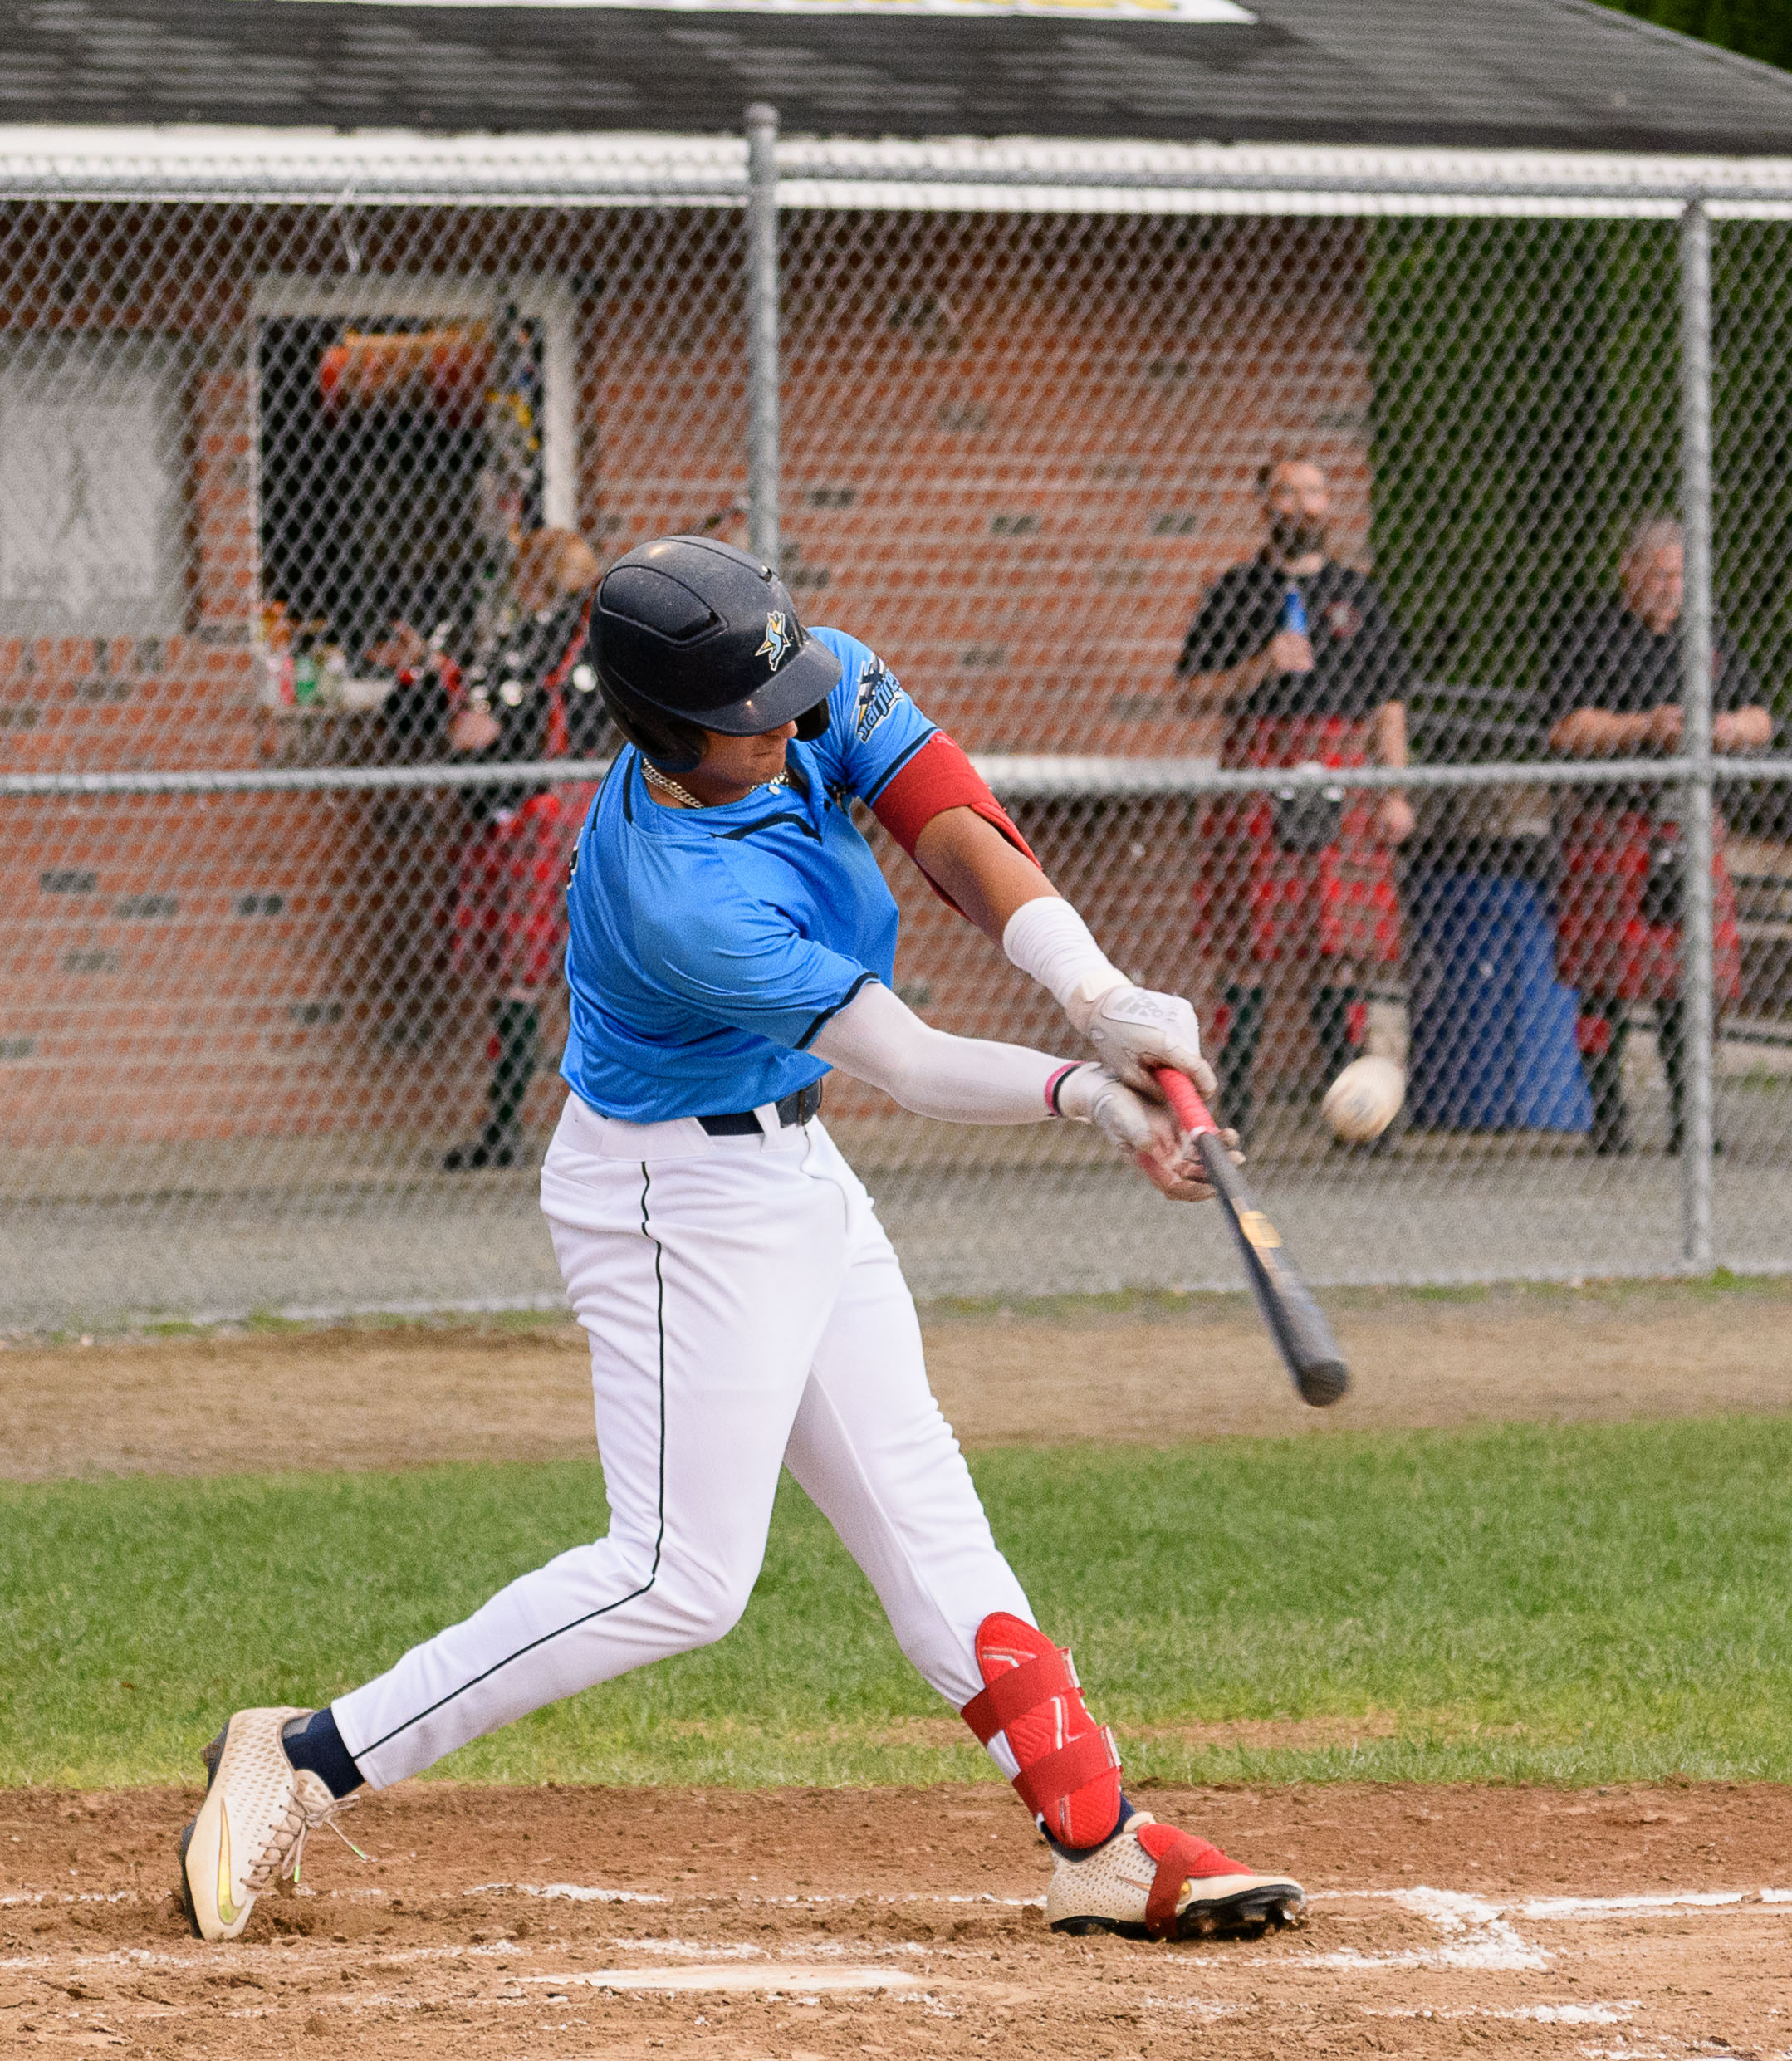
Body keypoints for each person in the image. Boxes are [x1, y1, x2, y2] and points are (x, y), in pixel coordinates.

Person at [174, 535, 1305, 1951]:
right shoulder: (678, 894)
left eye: (790, 693)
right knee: (674, 1576)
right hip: (668, 1204)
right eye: (751, 717)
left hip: (793, 1173)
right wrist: (1087, 1090)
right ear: (666, 726)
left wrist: (1090, 985)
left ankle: (1094, 1838)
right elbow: (900, 1055)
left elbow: (945, 814)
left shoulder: (780, 679)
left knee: (924, 1507)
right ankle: (306, 1753)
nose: (790, 723)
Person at [1176, 457, 1413, 1142]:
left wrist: (1395, 790)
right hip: (1259, 761)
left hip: (1341, 764)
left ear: (1328, 505)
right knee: (1247, 946)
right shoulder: (1233, 592)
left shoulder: (1358, 594)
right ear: (1265, 504)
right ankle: (1236, 1111)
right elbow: (1189, 692)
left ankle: (1358, 1119)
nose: (1302, 504)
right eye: (1287, 491)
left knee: (1338, 948)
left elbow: (1388, 705)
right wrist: (1258, 667)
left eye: (1313, 492)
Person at [370, 526, 608, 1170]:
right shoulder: (519, 633)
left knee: (544, 967)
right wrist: (424, 669)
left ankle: (562, 1125)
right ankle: (507, 1127)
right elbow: (451, 711)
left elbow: (556, 707)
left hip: (552, 802)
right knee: (520, 969)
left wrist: (502, 722)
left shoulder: (584, 631)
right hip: (505, 804)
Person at [1546, 516, 1771, 1154]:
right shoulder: (1591, 635)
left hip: (1689, 825)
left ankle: (1690, 1123)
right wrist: (1644, 725)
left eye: (1681, 575)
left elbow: (1762, 717)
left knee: (1688, 984)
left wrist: (1725, 727)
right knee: (1602, 983)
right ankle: (1607, 1118)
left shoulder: (1708, 637)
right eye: (1661, 574)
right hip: (1614, 825)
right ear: (1630, 571)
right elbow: (1566, 729)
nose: (1673, 587)